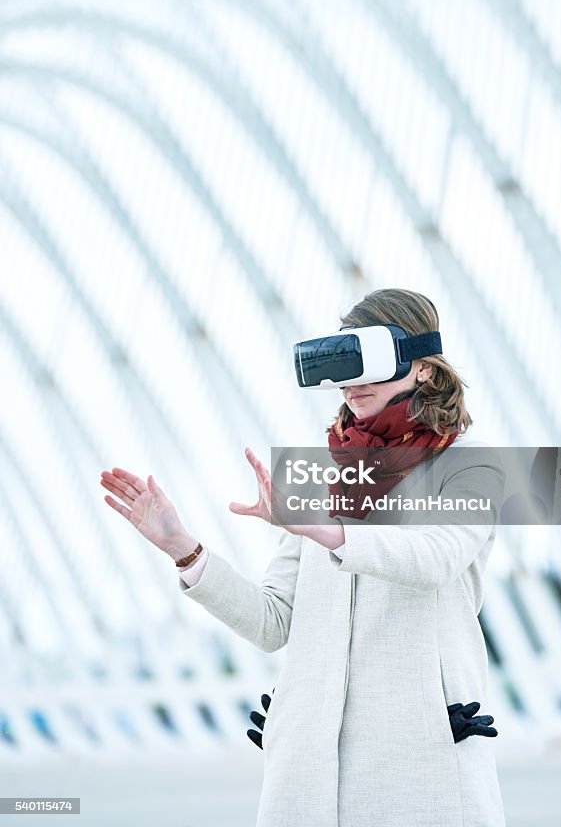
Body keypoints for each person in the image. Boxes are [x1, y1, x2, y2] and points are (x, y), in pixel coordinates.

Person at [101, 288, 507, 826]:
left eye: (369, 364)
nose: (352, 383)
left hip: (420, 766)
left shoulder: (472, 463)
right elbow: (274, 622)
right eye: (344, 365)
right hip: (309, 775)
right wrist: (184, 549)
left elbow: (436, 558)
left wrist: (330, 532)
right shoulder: (322, 470)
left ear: (425, 369)